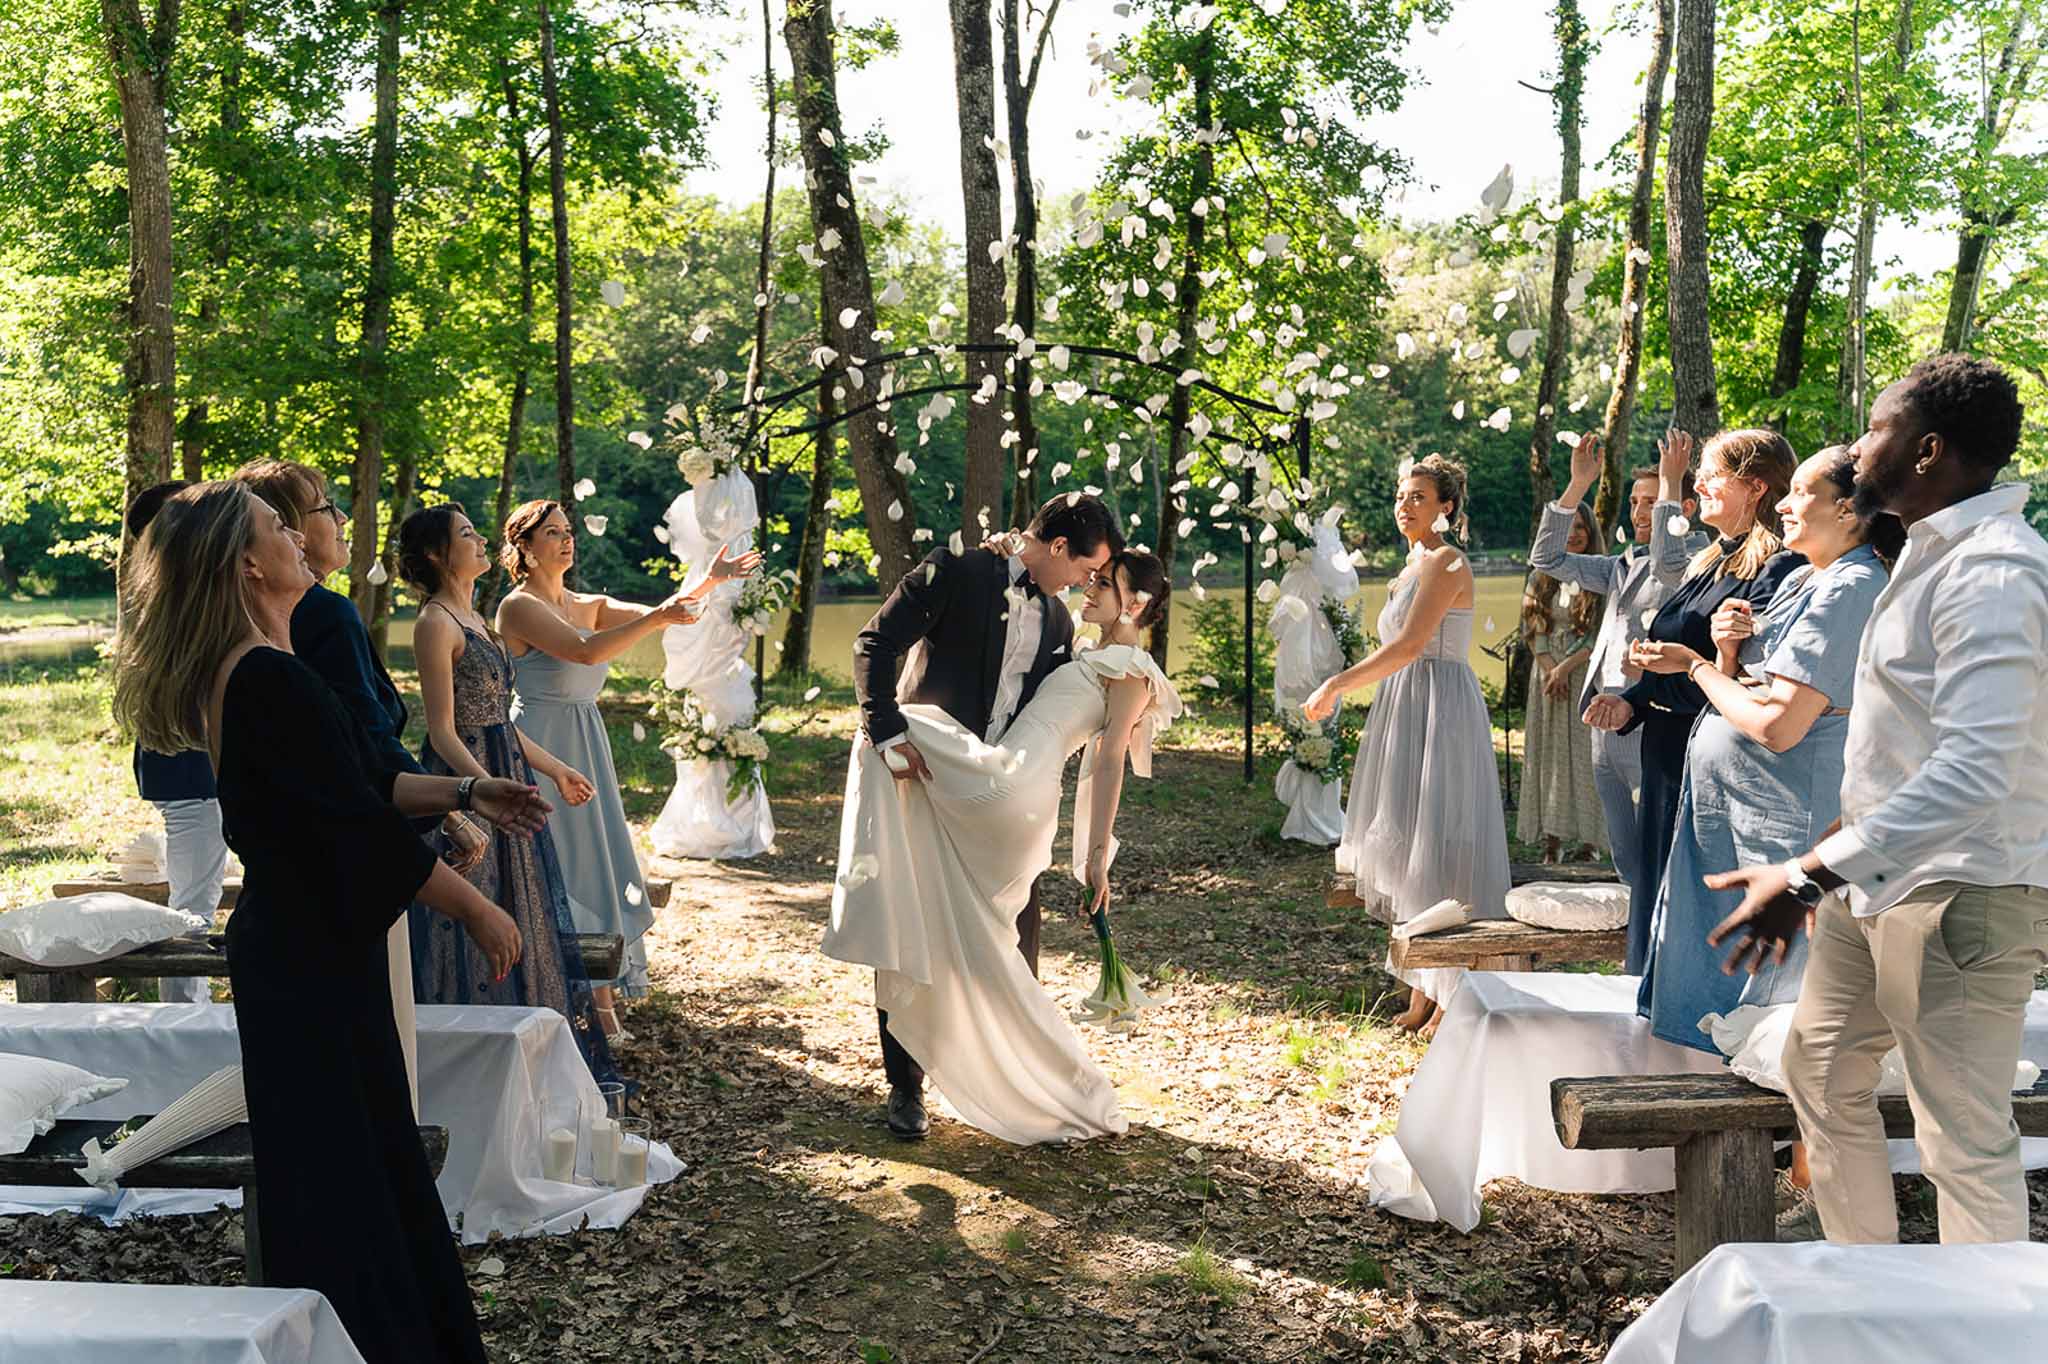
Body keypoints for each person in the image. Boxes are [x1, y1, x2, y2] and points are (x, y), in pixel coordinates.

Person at [111, 481, 546, 1363]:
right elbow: (351, 831)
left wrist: (469, 789)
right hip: (304, 960)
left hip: (316, 949)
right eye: (280, 527)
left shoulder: (273, 663)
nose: (303, 538)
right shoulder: (261, 675)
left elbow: (363, 784)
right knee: (341, 1179)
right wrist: (477, 910)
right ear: (246, 562)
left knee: (367, 1162)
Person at [1706, 355, 2048, 1248]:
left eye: (1879, 427)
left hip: (1963, 895)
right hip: (1874, 877)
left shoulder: (1997, 572)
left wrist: (1812, 871)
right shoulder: (1928, 552)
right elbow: (1915, 732)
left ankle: (1989, 1336)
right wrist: (1845, 841)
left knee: (1963, 1141)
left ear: (1928, 450)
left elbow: (1978, 770)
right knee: (1816, 1072)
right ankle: (1871, 1291)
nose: (1860, 444)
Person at [824, 549, 1178, 1144]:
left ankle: (1045, 1081)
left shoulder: (1134, 672)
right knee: (979, 943)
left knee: (893, 730)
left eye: (1106, 584)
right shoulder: (1084, 647)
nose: (1089, 589)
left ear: (1137, 604)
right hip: (1007, 780)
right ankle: (982, 1075)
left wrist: (1096, 856)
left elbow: (1109, 758)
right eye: (1091, 576)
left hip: (1009, 786)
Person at [231, 459, 485, 1104]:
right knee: (369, 1055)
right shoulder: (319, 619)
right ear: (281, 535)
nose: (341, 519)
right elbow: (360, 749)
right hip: (350, 862)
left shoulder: (273, 632)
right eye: (324, 508)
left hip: (323, 863)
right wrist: (450, 807)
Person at [1627, 444, 1897, 1046]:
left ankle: (1765, 1122)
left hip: (1787, 815)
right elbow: (1752, 683)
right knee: (1716, 972)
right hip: (1737, 814)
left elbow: (1780, 726)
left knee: (1771, 989)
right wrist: (1725, 651)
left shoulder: (1852, 588)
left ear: (1849, 511)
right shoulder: (1806, 575)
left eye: (1802, 492)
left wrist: (1694, 666)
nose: (1786, 504)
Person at [496, 498, 758, 1038]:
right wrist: (661, 615)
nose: (567, 540)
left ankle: (602, 997)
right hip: (542, 748)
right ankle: (562, 995)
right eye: (552, 532)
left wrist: (708, 584)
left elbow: (661, 613)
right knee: (561, 866)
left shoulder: (585, 601)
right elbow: (586, 652)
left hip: (587, 741)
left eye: (569, 531)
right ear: (523, 545)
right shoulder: (517, 607)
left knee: (595, 862)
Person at [400, 503, 616, 1078]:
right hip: (467, 779)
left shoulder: (476, 619)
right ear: (435, 555)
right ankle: (466, 1064)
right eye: (464, 534)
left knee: (526, 908)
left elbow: (500, 719)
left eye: (474, 532)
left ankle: (530, 1055)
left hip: (504, 769)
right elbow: (442, 730)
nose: (478, 542)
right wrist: (472, 795)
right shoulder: (435, 623)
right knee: (468, 923)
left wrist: (553, 767)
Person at [1585, 429, 1805, 974]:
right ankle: (1649, 1006)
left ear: (1753, 488)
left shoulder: (1776, 568)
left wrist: (1674, 671)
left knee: (1691, 896)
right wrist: (1633, 701)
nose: (1698, 483)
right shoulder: (1710, 558)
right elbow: (1681, 656)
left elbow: (1742, 675)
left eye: (1710, 473)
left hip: (1706, 751)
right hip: (1663, 745)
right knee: (1655, 885)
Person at [1306, 454, 1510, 1037]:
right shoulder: (1412, 563)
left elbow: (1412, 646)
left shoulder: (1446, 562)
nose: (1405, 505)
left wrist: (1337, 682)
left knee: (1441, 841)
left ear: (1447, 507)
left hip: (1439, 708)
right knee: (1406, 837)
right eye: (1401, 494)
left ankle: (1453, 996)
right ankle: (1421, 988)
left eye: (1419, 496)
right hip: (1404, 704)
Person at [1528, 433, 1701, 911]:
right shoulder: (1620, 565)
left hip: (1652, 718)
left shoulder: (1695, 559)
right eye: (1635, 503)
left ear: (1685, 506)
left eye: (1653, 503)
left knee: (1661, 846)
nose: (1640, 513)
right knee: (1625, 852)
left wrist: (1670, 487)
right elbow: (1547, 559)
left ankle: (1666, 938)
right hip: (1603, 721)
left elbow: (1670, 569)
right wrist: (1577, 484)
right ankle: (1636, 940)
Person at [122, 480, 227, 1006]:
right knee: (194, 898)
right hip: (186, 765)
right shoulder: (171, 592)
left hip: (199, 762)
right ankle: (184, 1010)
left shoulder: (173, 586)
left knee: (198, 888)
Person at [1515, 499, 1606, 863]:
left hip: (1583, 672)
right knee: (1548, 756)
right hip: (1547, 676)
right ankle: (1552, 840)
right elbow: (1532, 626)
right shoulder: (1540, 575)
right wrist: (1550, 667)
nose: (1573, 535)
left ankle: (1589, 842)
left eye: (1580, 527)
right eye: (1567, 529)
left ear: (1590, 532)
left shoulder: (1599, 572)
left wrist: (1566, 668)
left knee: (1585, 756)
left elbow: (1600, 631)